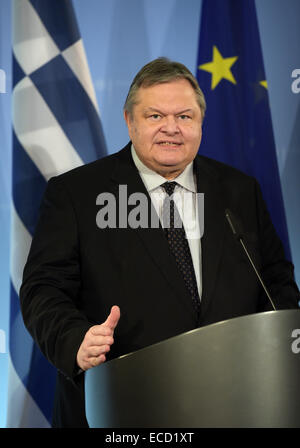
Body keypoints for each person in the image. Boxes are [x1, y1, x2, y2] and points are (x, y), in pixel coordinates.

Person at [20, 57, 300, 428]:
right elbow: (43, 288)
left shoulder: (238, 191)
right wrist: (75, 341)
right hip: (120, 405)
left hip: (232, 402)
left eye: (184, 117)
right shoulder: (78, 194)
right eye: (155, 116)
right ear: (129, 121)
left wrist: (275, 348)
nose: (171, 128)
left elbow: (276, 282)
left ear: (201, 123)